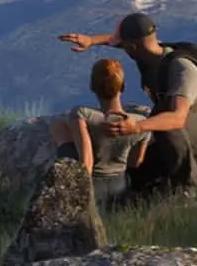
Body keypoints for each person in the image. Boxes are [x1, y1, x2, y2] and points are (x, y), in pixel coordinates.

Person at [57, 12, 197, 197]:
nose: (123, 49)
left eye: (125, 46)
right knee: (140, 176)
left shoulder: (182, 69)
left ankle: (191, 189)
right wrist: (91, 40)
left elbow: (178, 118)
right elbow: (116, 41)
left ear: (133, 46)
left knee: (163, 113)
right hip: (178, 139)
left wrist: (137, 127)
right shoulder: (149, 53)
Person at [49, 58, 150, 206]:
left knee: (57, 125)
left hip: (95, 184)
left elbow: (86, 160)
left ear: (92, 86)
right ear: (122, 87)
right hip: (120, 183)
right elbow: (135, 162)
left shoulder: (82, 114)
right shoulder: (140, 122)